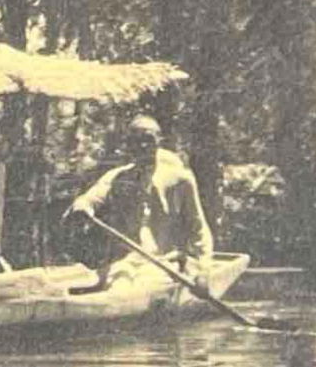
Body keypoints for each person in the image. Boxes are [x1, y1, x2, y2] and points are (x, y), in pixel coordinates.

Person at [65, 114, 214, 290]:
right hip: (125, 262)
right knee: (119, 284)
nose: (142, 146)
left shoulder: (180, 179)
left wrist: (203, 270)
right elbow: (90, 198)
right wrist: (83, 206)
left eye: (148, 140)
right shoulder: (118, 177)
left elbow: (199, 229)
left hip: (164, 263)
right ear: (128, 146)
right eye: (135, 142)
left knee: (142, 285)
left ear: (159, 141)